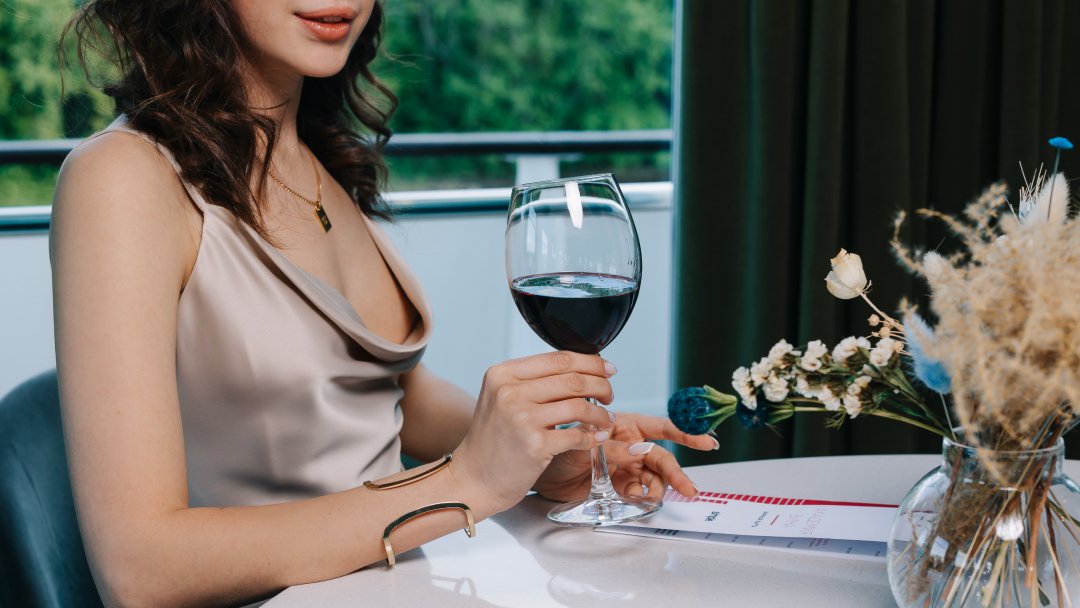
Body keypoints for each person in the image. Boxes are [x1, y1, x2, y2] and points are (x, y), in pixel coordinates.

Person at [50, 1, 717, 606]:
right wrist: (465, 482)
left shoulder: (316, 159)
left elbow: (386, 398)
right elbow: (140, 570)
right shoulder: (122, 178)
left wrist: (546, 455)